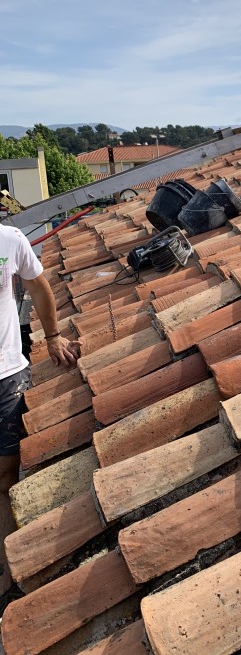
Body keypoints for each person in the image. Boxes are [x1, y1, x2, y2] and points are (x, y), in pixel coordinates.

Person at [0, 224, 79, 608]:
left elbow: (38, 286)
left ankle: (6, 568)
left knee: (6, 474)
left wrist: (52, 336)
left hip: (7, 375)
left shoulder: (10, 240)